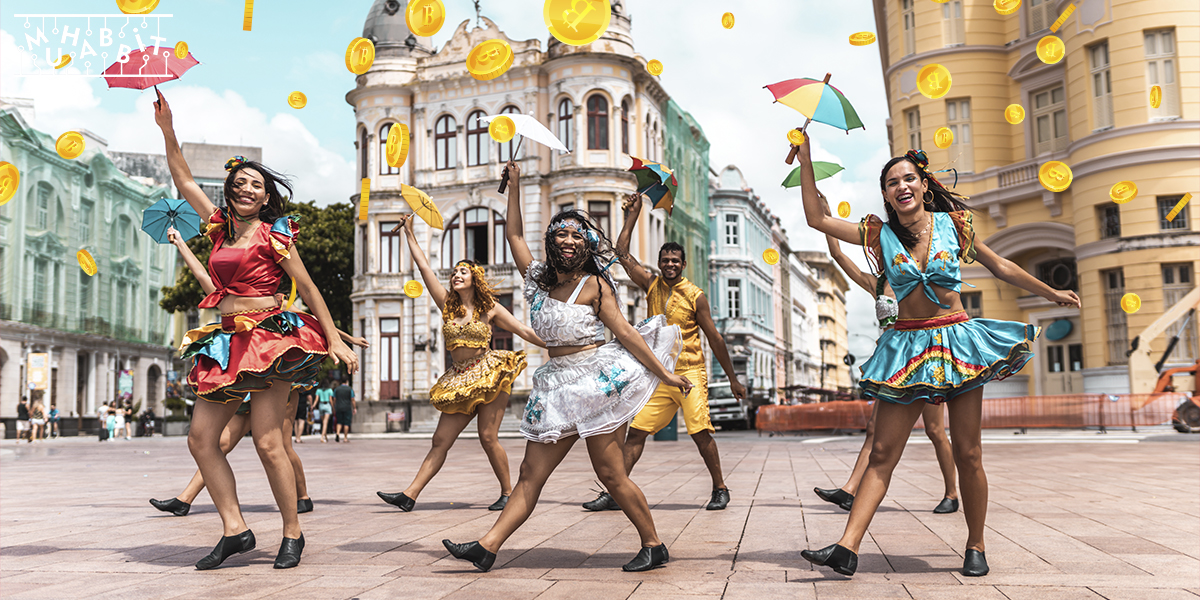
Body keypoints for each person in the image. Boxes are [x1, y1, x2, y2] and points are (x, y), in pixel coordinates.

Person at [792, 140, 1080, 578]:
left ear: (924, 186)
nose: (901, 186)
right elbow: (817, 220)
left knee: (969, 453)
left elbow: (1001, 266)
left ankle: (976, 544)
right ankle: (846, 548)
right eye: (892, 183)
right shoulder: (879, 234)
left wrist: (1052, 293)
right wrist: (807, 156)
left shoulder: (956, 226)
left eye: (909, 178)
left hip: (957, 343)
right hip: (907, 347)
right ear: (886, 195)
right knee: (883, 452)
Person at [442, 160, 692, 573]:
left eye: (578, 234)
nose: (570, 239)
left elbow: (627, 334)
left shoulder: (595, 285)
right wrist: (517, 185)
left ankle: (653, 544)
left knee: (611, 474)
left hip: (596, 382)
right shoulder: (538, 279)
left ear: (587, 245)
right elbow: (515, 234)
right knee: (529, 474)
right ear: (552, 240)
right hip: (556, 387)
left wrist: (665, 373)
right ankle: (486, 547)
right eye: (562, 232)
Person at [155, 88, 358, 570]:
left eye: (255, 186)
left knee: (270, 443)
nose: (246, 190)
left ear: (266, 197)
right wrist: (168, 131)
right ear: (230, 190)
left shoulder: (275, 235)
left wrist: (333, 341)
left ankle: (292, 532)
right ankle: (235, 529)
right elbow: (183, 178)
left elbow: (308, 289)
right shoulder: (218, 228)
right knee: (201, 440)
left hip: (270, 338)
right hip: (226, 341)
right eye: (239, 183)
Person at [154, 227, 368, 518]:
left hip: (279, 374)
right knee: (226, 441)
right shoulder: (231, 298)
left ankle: (301, 496)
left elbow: (313, 322)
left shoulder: (280, 313)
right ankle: (185, 498)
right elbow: (205, 279)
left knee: (278, 443)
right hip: (242, 374)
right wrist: (180, 244)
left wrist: (345, 339)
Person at [578, 192, 747, 513]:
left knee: (700, 433)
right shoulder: (651, 284)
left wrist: (733, 379)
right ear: (659, 264)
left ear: (683, 265)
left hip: (691, 374)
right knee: (637, 433)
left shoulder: (695, 296)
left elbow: (716, 339)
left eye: (675, 261)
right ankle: (615, 491)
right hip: (659, 374)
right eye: (665, 261)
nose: (670, 265)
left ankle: (720, 488)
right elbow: (623, 253)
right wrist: (633, 214)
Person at [377, 214, 542, 513]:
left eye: (463, 271)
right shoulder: (447, 305)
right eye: (454, 272)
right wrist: (410, 234)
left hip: (490, 373)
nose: (456, 275)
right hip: (459, 378)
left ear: (474, 277)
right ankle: (409, 494)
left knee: (487, 437)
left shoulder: (490, 308)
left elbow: (524, 331)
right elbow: (425, 268)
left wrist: (560, 345)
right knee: (440, 439)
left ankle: (507, 492)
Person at [816, 193, 958, 514]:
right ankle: (850, 489)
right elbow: (839, 255)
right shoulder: (877, 285)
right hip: (893, 362)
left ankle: (952, 492)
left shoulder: (918, 280)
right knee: (874, 429)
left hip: (924, 357)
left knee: (936, 430)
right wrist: (826, 220)